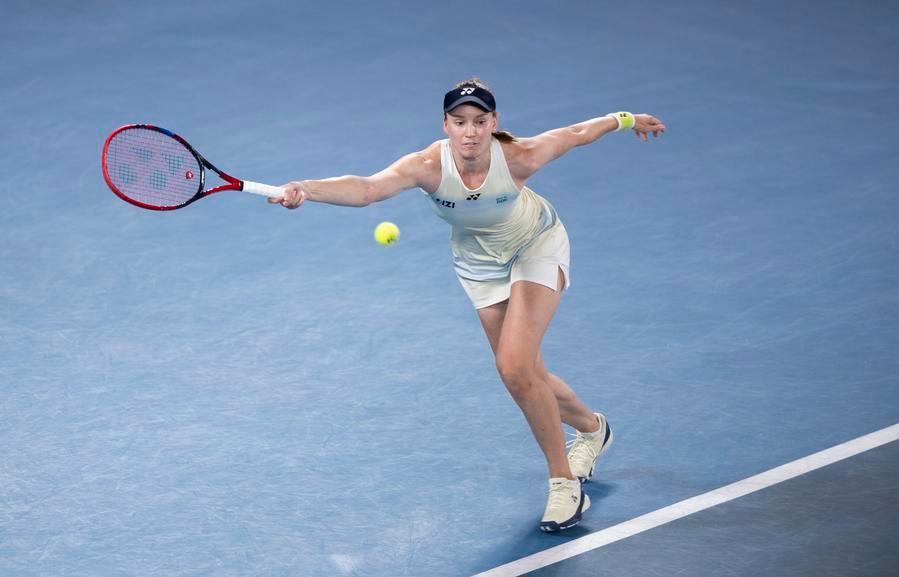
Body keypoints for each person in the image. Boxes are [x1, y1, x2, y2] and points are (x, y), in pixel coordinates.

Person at [270, 78, 666, 532]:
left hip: (535, 245)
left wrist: (626, 120)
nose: (470, 132)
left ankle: (563, 483)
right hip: (479, 264)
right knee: (524, 372)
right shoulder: (427, 166)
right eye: (459, 122)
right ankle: (593, 429)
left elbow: (577, 134)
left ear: (494, 123)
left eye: (479, 121)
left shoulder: (518, 156)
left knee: (515, 367)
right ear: (446, 125)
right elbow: (367, 189)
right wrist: (305, 187)